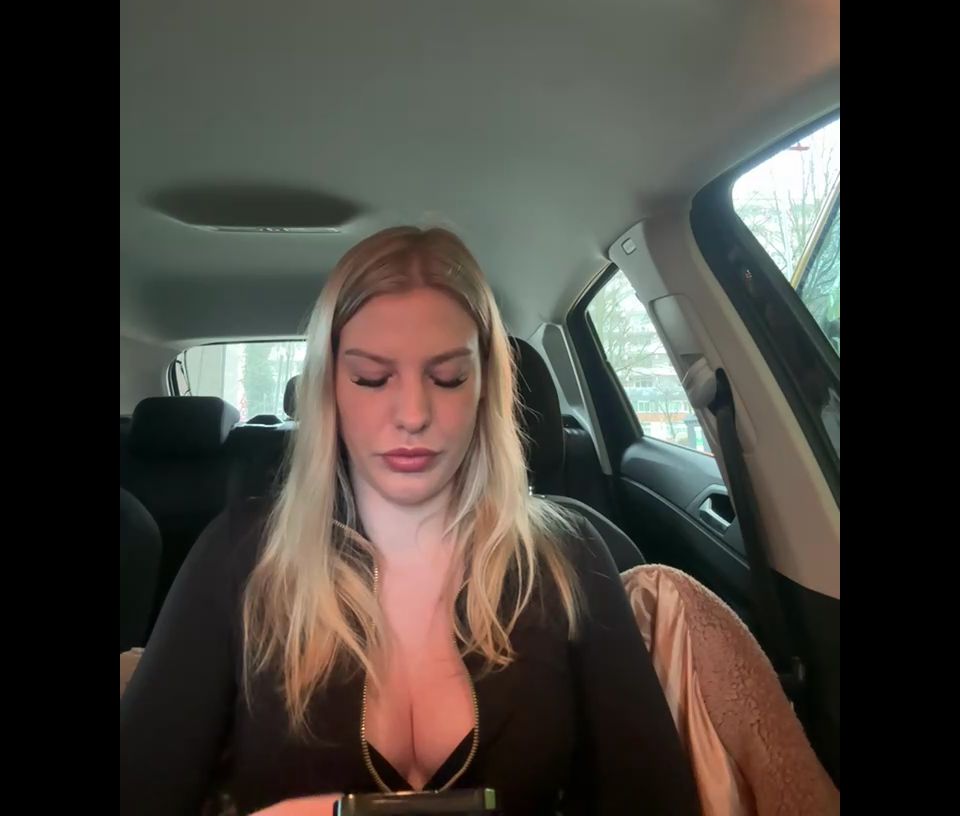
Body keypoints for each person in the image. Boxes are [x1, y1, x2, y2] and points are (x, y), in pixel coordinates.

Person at [120, 226, 700, 816]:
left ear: (485, 387)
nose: (414, 414)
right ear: (329, 389)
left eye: (448, 378)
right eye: (371, 379)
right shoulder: (239, 558)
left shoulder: (569, 557)